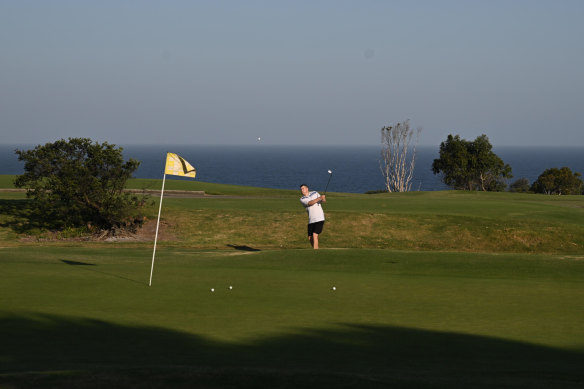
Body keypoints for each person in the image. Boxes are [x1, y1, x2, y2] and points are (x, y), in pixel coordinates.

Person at [299, 184, 326, 249]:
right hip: (311, 220)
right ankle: (316, 249)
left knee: (315, 235)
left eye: (303, 188)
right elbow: (310, 203)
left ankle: (315, 251)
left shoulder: (315, 193)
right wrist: (319, 198)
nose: (302, 190)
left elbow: (323, 201)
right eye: (301, 189)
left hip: (319, 218)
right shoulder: (302, 199)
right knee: (310, 237)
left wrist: (323, 198)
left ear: (307, 188)